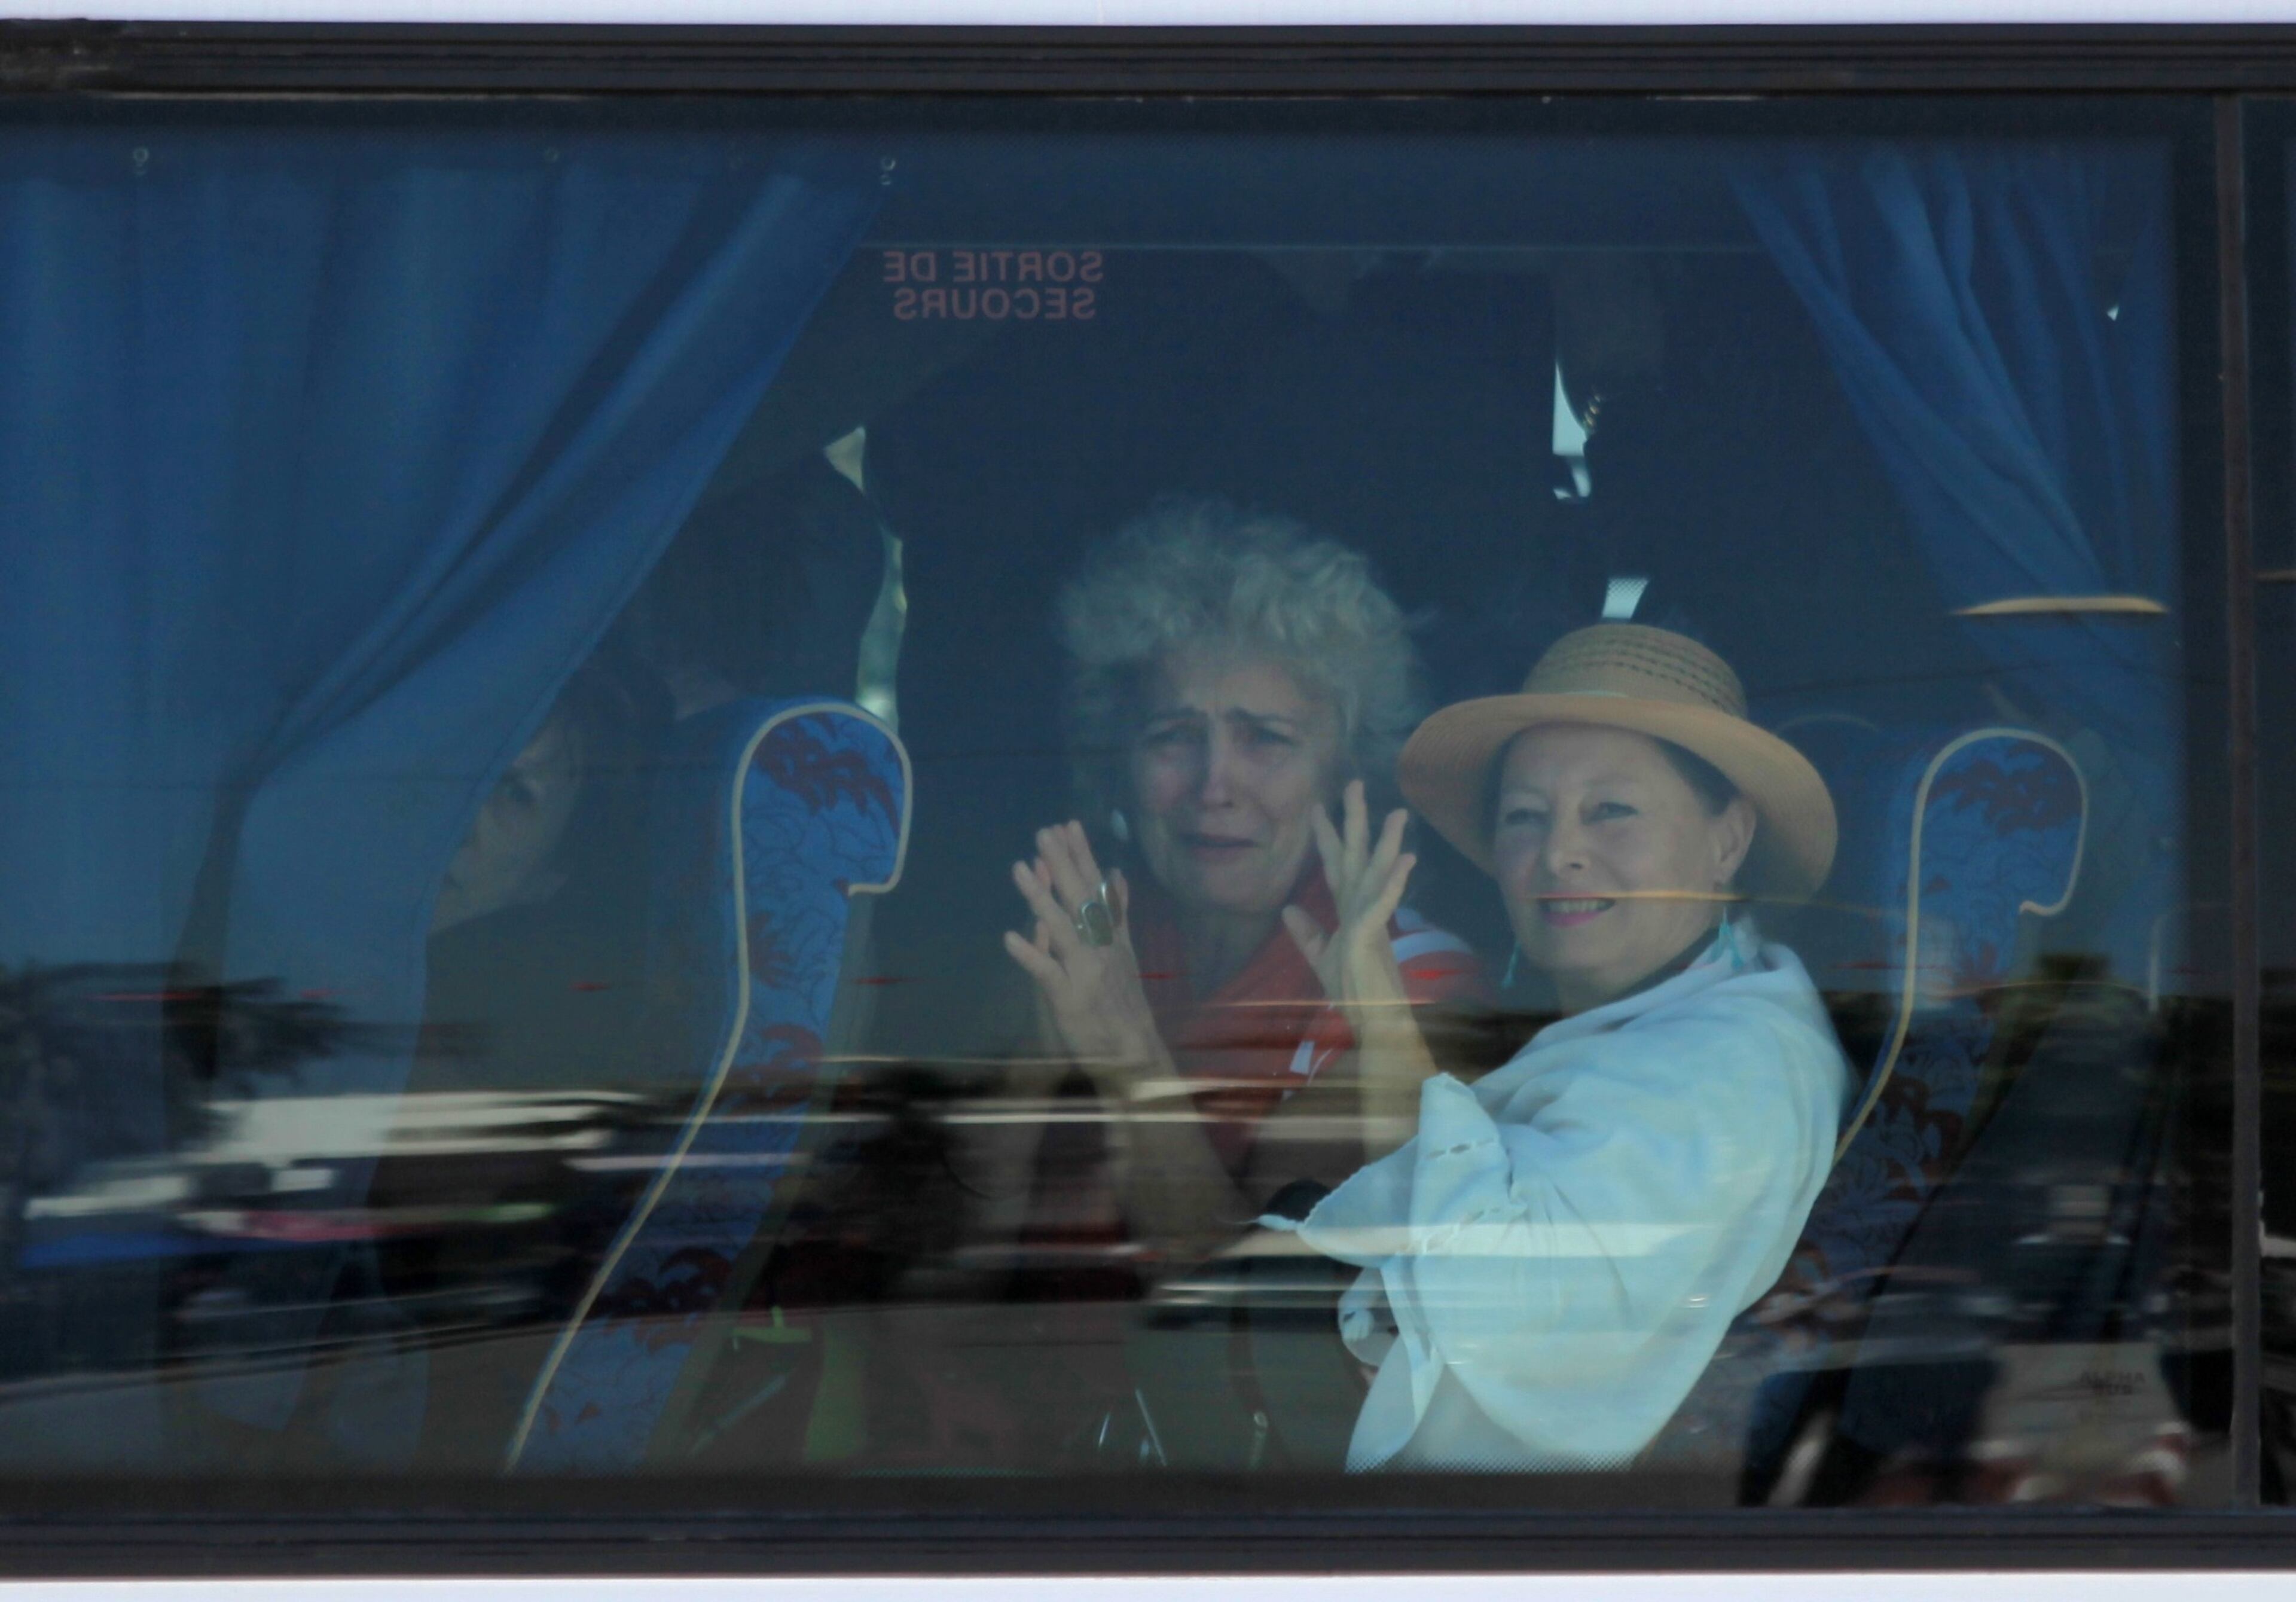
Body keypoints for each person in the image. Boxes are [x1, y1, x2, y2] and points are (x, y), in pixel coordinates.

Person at [1275, 622, 1849, 1471]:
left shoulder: (1736, 1070)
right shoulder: (1655, 1023)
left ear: (1728, 838)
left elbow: (1487, 1301)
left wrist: (1385, 1019)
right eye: (1526, 817)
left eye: (1611, 811)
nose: (1562, 852)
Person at [982, 498, 1485, 1274]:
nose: (1214, 786)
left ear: (1346, 770)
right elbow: (957, 1235)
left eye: (1267, 739)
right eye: (1174, 736)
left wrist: (1124, 1054)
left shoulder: (1412, 985)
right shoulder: (1084, 930)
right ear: (1117, 759)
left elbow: (1233, 1295)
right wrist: (1030, 1073)